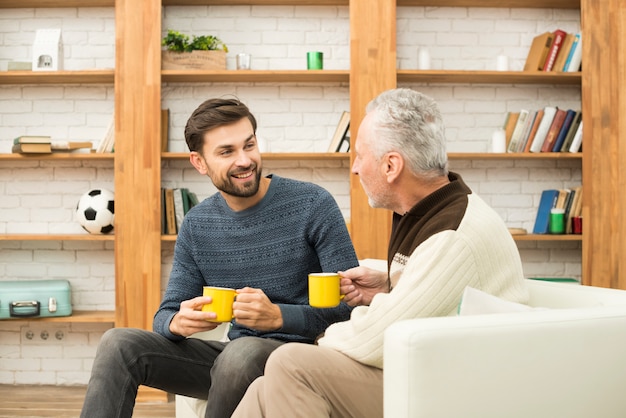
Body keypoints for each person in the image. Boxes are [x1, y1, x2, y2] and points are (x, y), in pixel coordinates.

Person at [231, 88, 529, 417]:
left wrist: (316, 337)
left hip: (461, 391)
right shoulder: (427, 211)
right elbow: (437, 299)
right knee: (263, 387)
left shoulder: (452, 233)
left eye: (360, 155)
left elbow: (375, 339)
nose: (355, 168)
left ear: (391, 165)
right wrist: (392, 285)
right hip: (433, 370)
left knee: (290, 363)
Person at [80, 97, 358, 418]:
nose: (244, 160)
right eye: (227, 152)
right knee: (119, 343)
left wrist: (279, 317)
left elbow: (352, 309)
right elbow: (165, 314)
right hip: (231, 359)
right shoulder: (198, 224)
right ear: (199, 163)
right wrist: (177, 322)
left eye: (249, 145)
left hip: (302, 357)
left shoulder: (312, 204)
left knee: (240, 352)